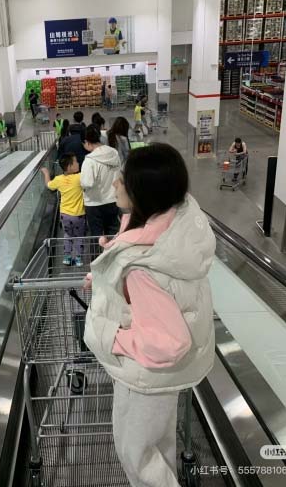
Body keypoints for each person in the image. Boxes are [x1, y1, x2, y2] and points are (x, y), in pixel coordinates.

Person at [83, 143, 215, 487]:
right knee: (159, 445)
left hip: (145, 377)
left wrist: (111, 337)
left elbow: (168, 342)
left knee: (136, 453)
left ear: (143, 192)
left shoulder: (142, 269)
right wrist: (108, 274)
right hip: (161, 379)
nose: (115, 183)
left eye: (122, 180)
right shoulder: (174, 226)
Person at [41, 153, 86, 267]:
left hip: (65, 215)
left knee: (67, 235)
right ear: (70, 166)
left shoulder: (58, 179)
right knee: (79, 236)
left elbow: (48, 185)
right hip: (79, 215)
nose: (78, 163)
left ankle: (67, 257)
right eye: (76, 162)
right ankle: (78, 259)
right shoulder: (79, 177)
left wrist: (46, 173)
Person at [81, 125, 121, 236]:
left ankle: (99, 248)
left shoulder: (90, 160)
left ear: (86, 142)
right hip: (113, 199)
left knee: (97, 236)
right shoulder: (114, 153)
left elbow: (86, 183)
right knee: (113, 233)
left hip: (94, 203)